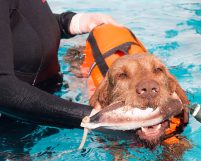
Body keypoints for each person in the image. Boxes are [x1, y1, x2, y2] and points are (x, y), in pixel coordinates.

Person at [0, 0, 122, 128]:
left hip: (51, 101)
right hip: (15, 125)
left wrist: (74, 22)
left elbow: (25, 21)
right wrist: (92, 117)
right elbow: (3, 89)